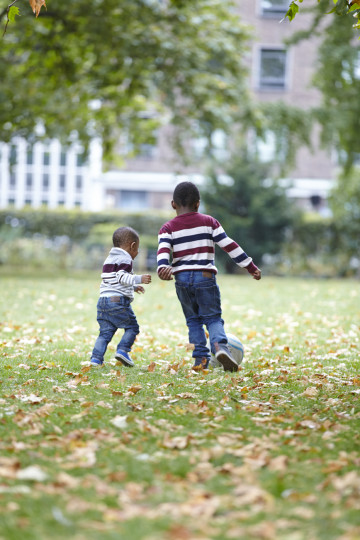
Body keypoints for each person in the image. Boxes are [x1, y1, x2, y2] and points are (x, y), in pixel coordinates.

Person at [157, 181, 261, 372]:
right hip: (205, 277)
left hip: (181, 280)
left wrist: (162, 268)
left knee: (193, 321)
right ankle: (220, 348)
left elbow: (163, 253)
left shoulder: (167, 228)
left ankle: (200, 361)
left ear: (173, 204)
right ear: (198, 203)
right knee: (213, 318)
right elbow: (229, 245)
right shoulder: (209, 222)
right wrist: (249, 265)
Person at [90, 226, 151, 367]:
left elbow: (114, 280)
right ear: (132, 245)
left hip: (103, 301)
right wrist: (139, 279)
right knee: (132, 328)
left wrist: (133, 288)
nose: (137, 252)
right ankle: (123, 350)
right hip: (117, 301)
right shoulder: (125, 258)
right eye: (137, 249)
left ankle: (96, 359)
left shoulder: (110, 258)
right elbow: (122, 276)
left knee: (105, 333)